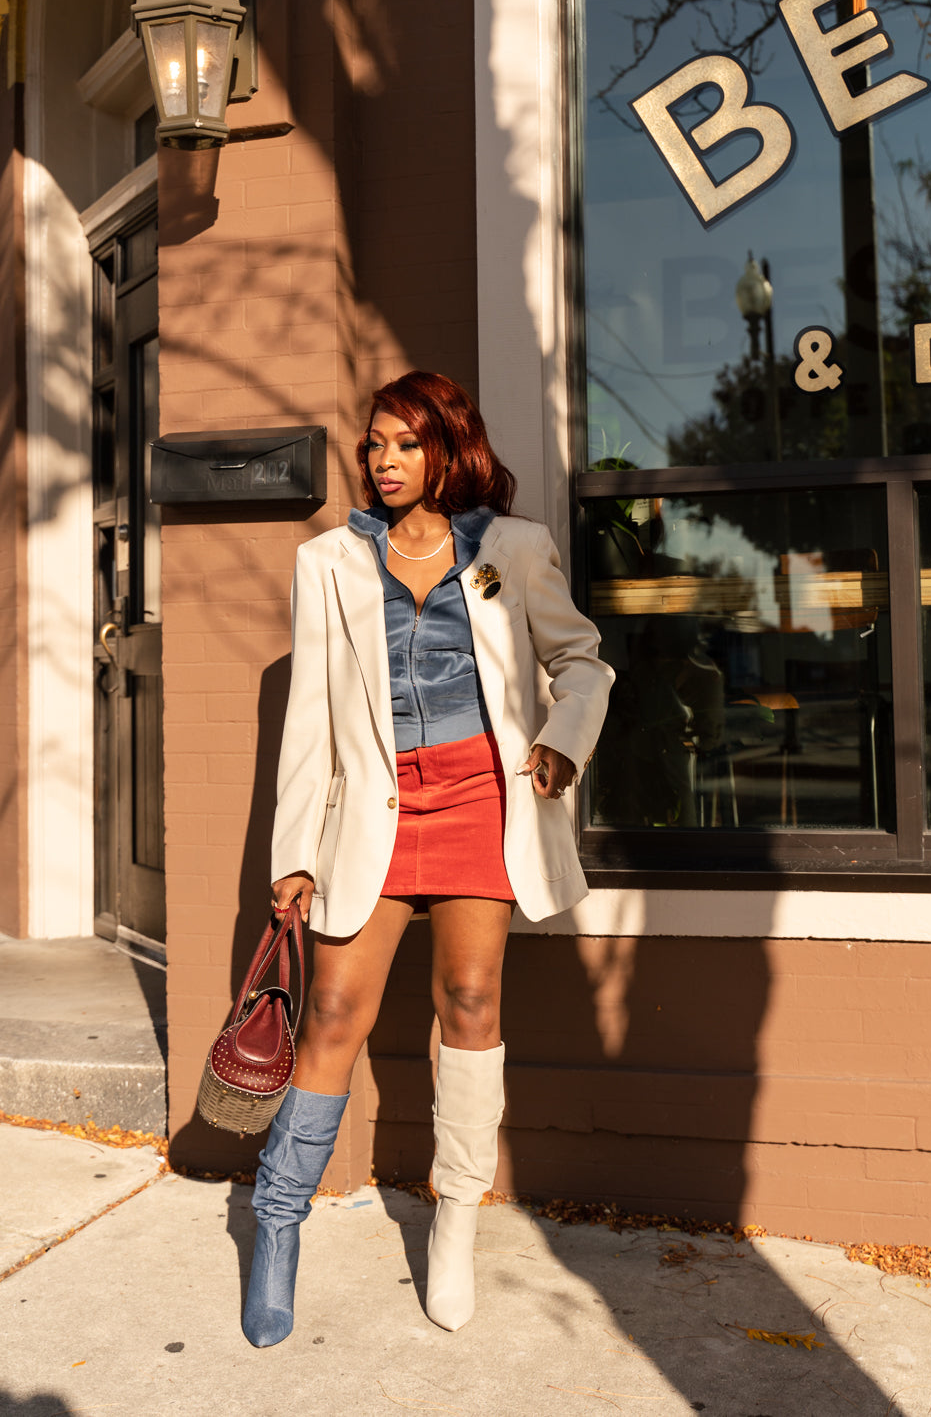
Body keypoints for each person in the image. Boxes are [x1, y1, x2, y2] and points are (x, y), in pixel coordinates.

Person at [242, 370, 614, 1347]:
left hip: (480, 810)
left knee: (471, 1004)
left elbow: (582, 662)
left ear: (447, 445)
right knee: (328, 1009)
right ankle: (276, 1222)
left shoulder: (511, 549)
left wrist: (561, 739)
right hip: (373, 810)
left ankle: (454, 1220)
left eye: (403, 443)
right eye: (374, 446)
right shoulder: (330, 560)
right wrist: (295, 850)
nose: (384, 461)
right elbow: (310, 717)